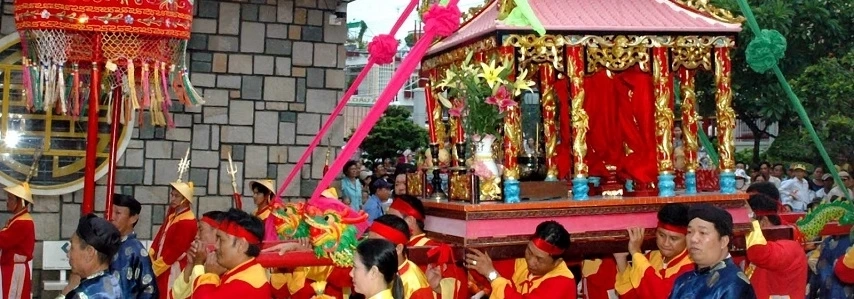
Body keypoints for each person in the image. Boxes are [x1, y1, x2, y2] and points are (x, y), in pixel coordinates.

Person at [465, 221, 576, 298]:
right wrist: (473, 261)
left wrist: (492, 275)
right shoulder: (523, 263)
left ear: (557, 262)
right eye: (529, 252)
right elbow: (486, 271)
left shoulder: (562, 281)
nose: (531, 262)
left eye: (539, 259)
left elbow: (492, 275)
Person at [668, 204, 756, 299]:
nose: (693, 239)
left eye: (703, 233)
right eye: (689, 232)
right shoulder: (683, 280)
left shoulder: (734, 284)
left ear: (723, 241)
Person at [388, 195, 466, 299]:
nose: (387, 224)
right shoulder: (395, 247)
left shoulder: (434, 250)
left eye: (392, 220)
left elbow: (459, 286)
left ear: (410, 221)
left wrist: (437, 288)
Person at [614, 203, 693, 298]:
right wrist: (621, 258)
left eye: (674, 238)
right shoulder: (653, 256)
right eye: (661, 235)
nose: (666, 243)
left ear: (688, 238)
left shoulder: (691, 266)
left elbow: (659, 295)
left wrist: (636, 252)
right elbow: (631, 295)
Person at [191, 208, 272, 297]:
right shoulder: (248, 271)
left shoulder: (243, 284)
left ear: (241, 245)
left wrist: (210, 274)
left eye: (221, 239)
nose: (216, 246)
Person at [743, 193, 807, 299]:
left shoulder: (789, 247)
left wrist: (750, 219)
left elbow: (758, 253)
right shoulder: (767, 244)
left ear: (763, 222)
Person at [150, 178, 199, 299]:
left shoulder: (188, 221)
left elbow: (175, 250)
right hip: (164, 265)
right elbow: (160, 236)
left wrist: (155, 268)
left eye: (177, 196)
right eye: (172, 195)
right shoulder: (174, 215)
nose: (172, 199)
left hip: (173, 268)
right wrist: (151, 253)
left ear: (185, 199)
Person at [366, 215, 434, 298]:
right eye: (368, 242)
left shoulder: (415, 285)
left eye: (377, 244)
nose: (369, 248)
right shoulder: (375, 268)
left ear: (398, 249)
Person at [110, 194, 158, 298]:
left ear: (133, 218)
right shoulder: (107, 244)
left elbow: (149, 290)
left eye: (118, 213)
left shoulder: (137, 251)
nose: (112, 217)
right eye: (111, 212)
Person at [171, 211, 227, 299]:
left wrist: (199, 263)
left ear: (217, 232)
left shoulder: (225, 264)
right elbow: (177, 295)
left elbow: (199, 294)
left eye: (200, 230)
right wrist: (190, 264)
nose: (196, 236)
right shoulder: (203, 258)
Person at [66, 214, 122, 299]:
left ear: (90, 252)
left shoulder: (83, 294)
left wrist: (66, 292)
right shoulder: (117, 286)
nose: (68, 254)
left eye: (72, 248)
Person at [1, 181, 35, 299]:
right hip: (13, 267)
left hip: (15, 269)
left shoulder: (22, 222)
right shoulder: (20, 219)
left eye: (10, 199)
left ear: (20, 202)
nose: (7, 201)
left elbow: (3, 240)